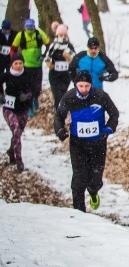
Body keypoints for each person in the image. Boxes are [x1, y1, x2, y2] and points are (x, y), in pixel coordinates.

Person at [54, 70, 119, 213]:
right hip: (78, 144)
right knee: (79, 179)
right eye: (81, 86)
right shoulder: (69, 97)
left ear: (91, 85)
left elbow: (114, 113)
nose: (84, 89)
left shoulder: (100, 96)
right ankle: (79, 213)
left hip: (98, 143)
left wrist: (108, 129)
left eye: (87, 86)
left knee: (95, 180)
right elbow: (59, 116)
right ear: (76, 85)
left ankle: (93, 191)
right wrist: (60, 130)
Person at [1, 54, 35, 170]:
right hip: (9, 108)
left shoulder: (27, 75)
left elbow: (34, 90)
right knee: (16, 130)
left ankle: (11, 151)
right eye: (16, 63)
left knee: (18, 133)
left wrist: (27, 96)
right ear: (12, 64)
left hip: (23, 109)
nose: (19, 65)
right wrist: (1, 95)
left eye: (21, 63)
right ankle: (19, 160)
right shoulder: (7, 75)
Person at [11, 18, 49, 110]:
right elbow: (13, 48)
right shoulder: (21, 35)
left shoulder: (39, 33)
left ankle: (35, 98)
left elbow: (48, 44)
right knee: (27, 85)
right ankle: (29, 104)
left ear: (34, 26)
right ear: (25, 27)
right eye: (28, 27)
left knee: (37, 85)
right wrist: (14, 60)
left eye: (31, 27)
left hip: (37, 64)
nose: (29, 29)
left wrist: (44, 55)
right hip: (26, 65)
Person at [44, 24, 76, 112]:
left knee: (63, 93)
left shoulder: (69, 46)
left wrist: (69, 58)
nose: (63, 37)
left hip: (65, 74)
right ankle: (58, 112)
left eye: (65, 35)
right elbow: (47, 57)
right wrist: (49, 63)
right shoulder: (53, 46)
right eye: (61, 35)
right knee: (57, 94)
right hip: (54, 74)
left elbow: (75, 59)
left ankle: (62, 112)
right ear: (57, 35)